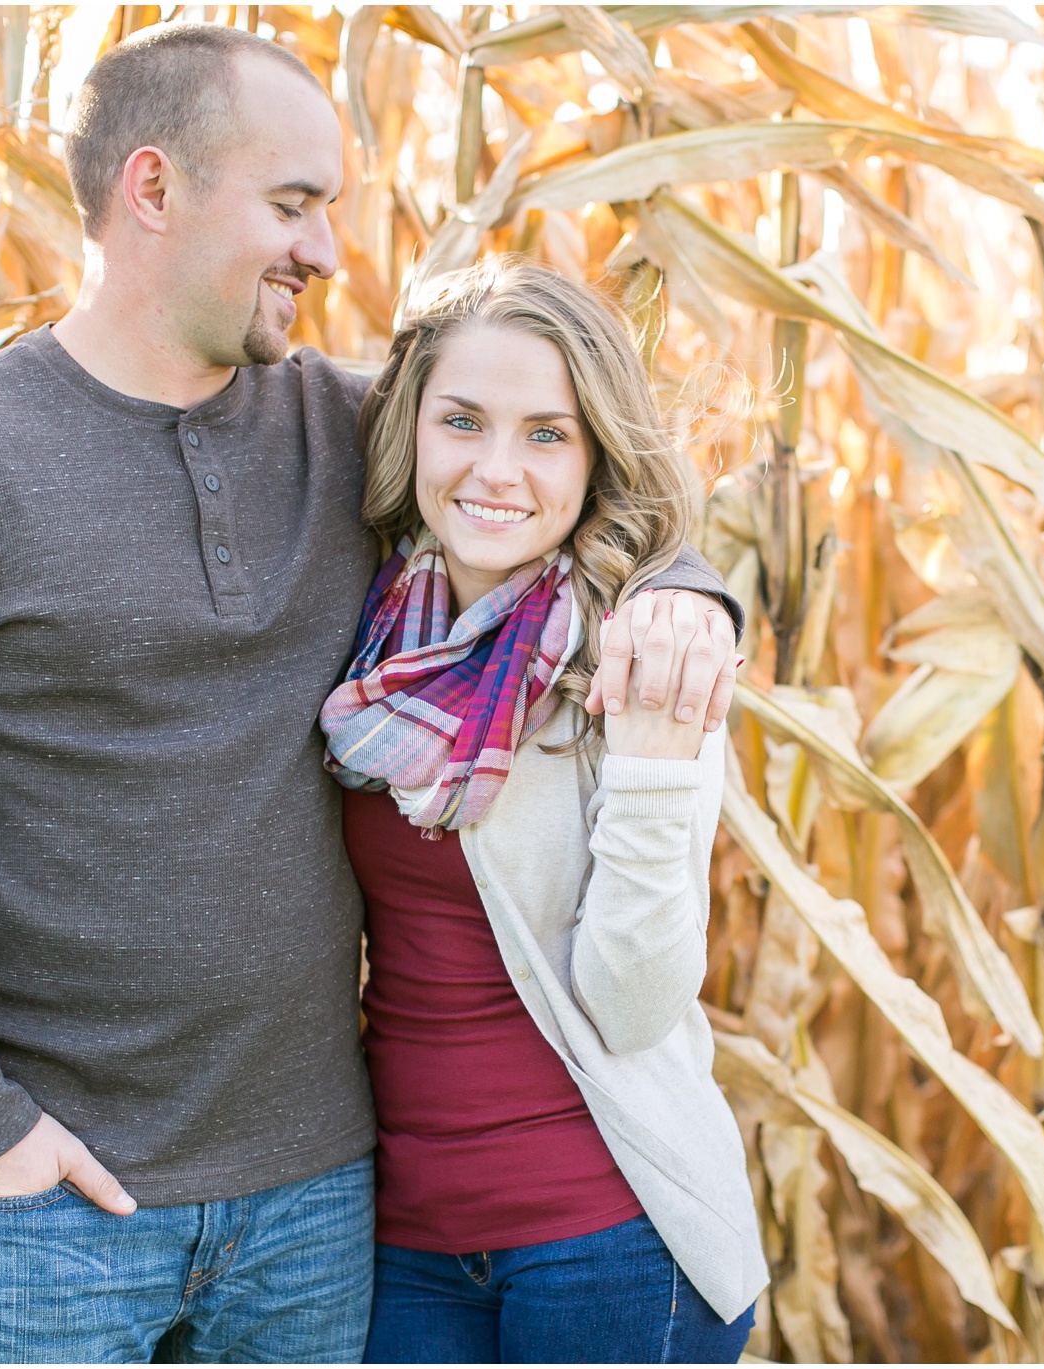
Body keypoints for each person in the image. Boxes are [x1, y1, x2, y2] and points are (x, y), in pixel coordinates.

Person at [0, 23, 740, 1364]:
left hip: (321, 1205)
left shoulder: (348, 428)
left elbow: (553, 464)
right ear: (152, 191)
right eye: (293, 205)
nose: (328, 250)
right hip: (50, 1213)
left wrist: (690, 588)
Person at [320, 259, 765, 1364]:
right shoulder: (373, 627)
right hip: (407, 1242)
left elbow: (633, 1001)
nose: (495, 469)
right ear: (410, 427)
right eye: (462, 420)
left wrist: (659, 763)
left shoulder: (640, 654)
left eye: (546, 435)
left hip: (605, 1240)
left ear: (597, 454)